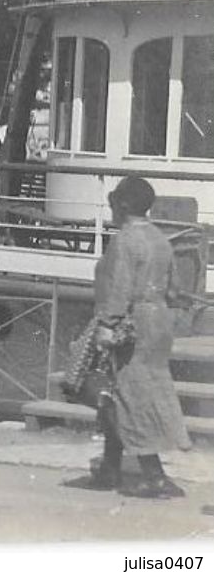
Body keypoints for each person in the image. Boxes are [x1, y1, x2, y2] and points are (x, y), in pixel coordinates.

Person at [63, 176, 191, 498]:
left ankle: (154, 475)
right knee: (126, 391)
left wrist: (107, 325)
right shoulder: (161, 239)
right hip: (159, 321)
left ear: (121, 205)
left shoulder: (125, 240)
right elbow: (175, 289)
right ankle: (110, 466)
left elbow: (119, 288)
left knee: (128, 393)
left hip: (131, 323)